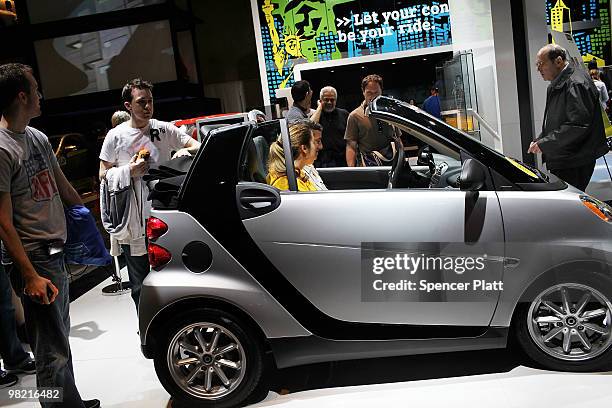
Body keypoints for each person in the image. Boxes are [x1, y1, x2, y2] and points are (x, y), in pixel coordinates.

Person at [0, 63, 99, 407]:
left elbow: (62, 185)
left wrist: (87, 222)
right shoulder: (1, 149)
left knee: (60, 338)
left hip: (56, 253)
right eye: (36, 89)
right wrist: (28, 274)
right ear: (22, 96)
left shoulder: (38, 137)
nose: (41, 96)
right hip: (36, 257)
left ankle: (70, 400)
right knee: (49, 349)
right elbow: (3, 222)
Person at [99, 78, 200, 312]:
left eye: (150, 101)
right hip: (132, 219)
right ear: (128, 105)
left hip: (163, 213)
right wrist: (128, 171)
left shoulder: (162, 129)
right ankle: (146, 326)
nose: (147, 107)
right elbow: (103, 173)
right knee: (139, 282)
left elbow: (195, 145)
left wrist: (184, 149)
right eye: (141, 102)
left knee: (171, 277)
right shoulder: (116, 136)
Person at [528, 44, 608, 191]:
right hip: (567, 157)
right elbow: (560, 120)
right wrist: (542, 138)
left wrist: (545, 143)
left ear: (558, 61)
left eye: (541, 64)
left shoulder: (576, 83)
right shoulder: (561, 82)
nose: (538, 69)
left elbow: (577, 125)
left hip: (574, 159)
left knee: (570, 204)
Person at [345, 74, 400, 167]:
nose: (373, 96)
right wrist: (352, 171)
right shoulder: (355, 116)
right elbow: (351, 145)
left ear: (381, 91)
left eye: (376, 92)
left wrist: (403, 162)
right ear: (363, 92)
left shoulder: (390, 112)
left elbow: (398, 139)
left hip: (391, 163)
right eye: (369, 93)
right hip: (368, 166)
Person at [267, 120, 322, 191]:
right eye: (314, 142)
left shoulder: (297, 173)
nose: (320, 147)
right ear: (304, 148)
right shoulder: (288, 184)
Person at [310, 86, 348, 167]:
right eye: (326, 100)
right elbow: (310, 127)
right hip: (321, 161)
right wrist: (319, 108)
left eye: (332, 100)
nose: (329, 102)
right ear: (320, 101)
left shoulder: (344, 114)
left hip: (342, 161)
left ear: (336, 100)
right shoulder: (316, 115)